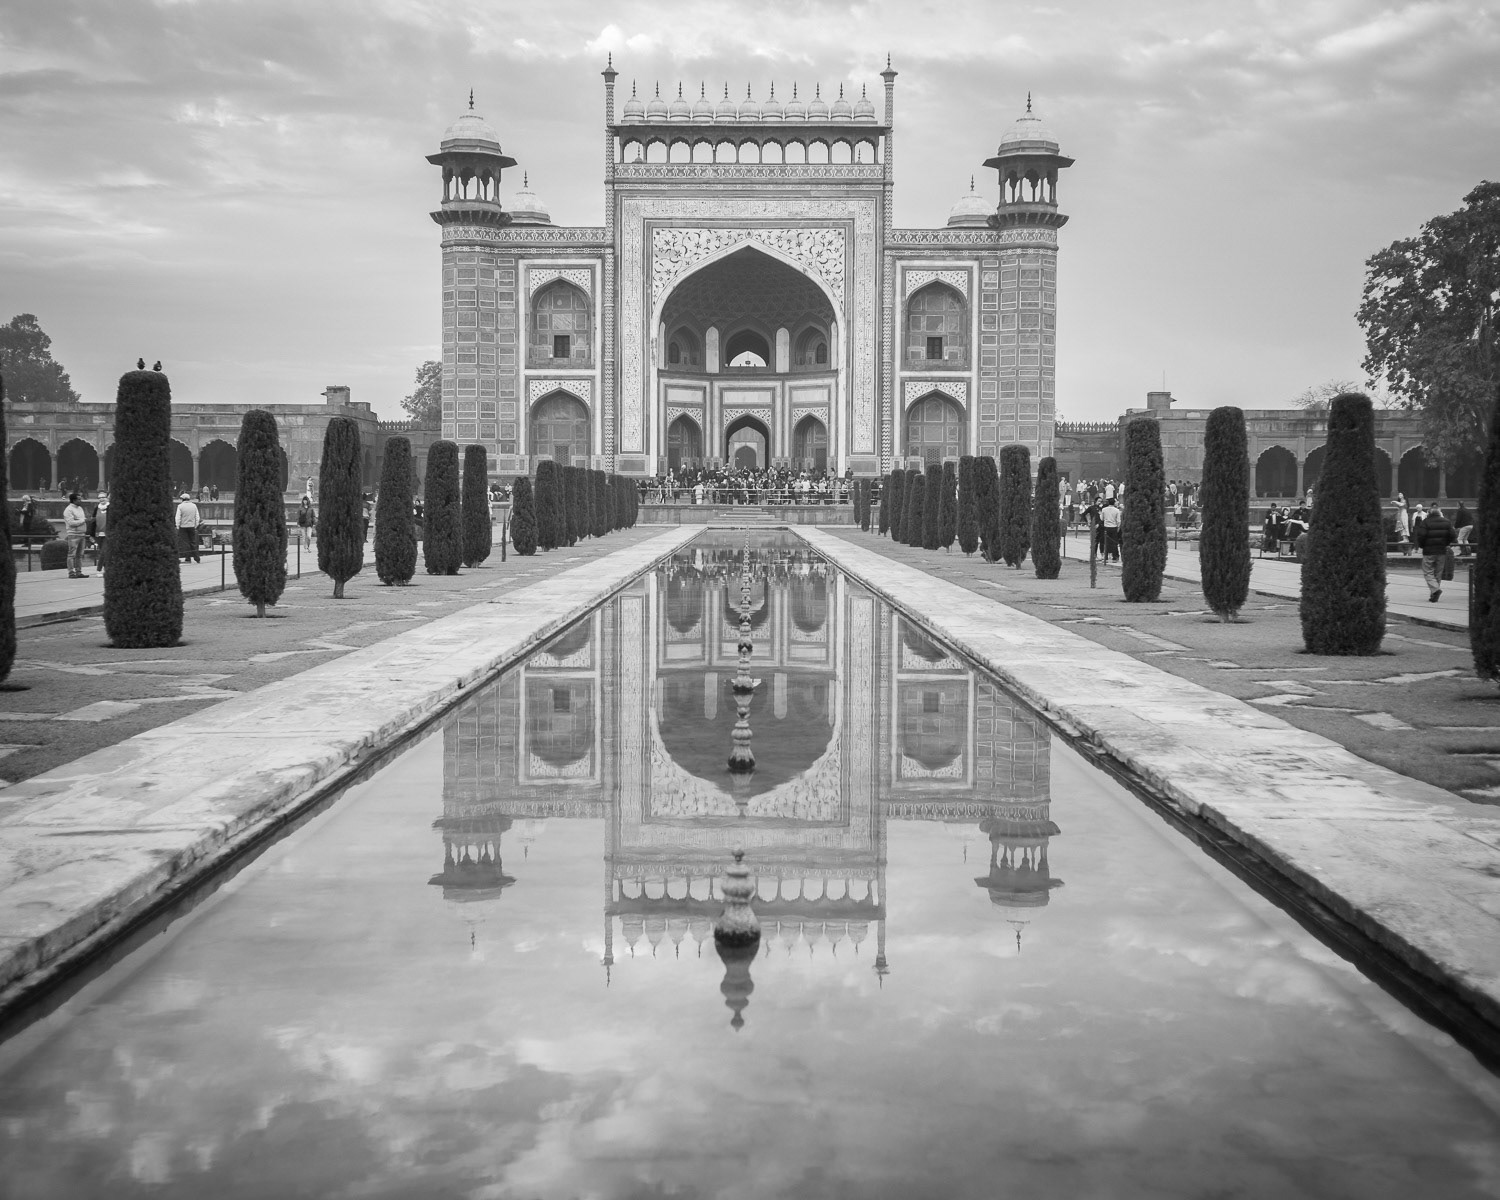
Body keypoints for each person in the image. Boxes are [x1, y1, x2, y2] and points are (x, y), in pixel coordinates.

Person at [1416, 500, 1455, 602]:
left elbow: (1421, 536)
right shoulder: (1446, 522)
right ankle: (1434, 594)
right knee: (1438, 573)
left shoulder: (1426, 522)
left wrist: (1422, 545)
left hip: (1429, 551)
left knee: (1428, 572)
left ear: (1429, 513)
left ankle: (1435, 591)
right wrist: (1446, 543)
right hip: (1441, 551)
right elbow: (1453, 535)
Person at [62, 491, 88, 578]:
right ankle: (71, 573)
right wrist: (83, 520)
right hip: (73, 535)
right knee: (71, 554)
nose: (81, 501)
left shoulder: (80, 508)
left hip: (82, 534)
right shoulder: (68, 510)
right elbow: (71, 523)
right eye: (79, 499)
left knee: (79, 555)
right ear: (73, 500)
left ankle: (79, 572)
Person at [175, 491, 202, 563]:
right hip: (191, 526)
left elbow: (178, 518)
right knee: (193, 542)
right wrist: (195, 525)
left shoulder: (180, 506)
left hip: (183, 527)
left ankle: (188, 557)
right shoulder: (194, 506)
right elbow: (197, 517)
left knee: (185, 542)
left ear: (183, 499)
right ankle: (197, 558)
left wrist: (177, 526)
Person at [91, 491, 110, 574]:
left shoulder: (111, 507)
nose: (101, 499)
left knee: (104, 551)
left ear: (107, 498)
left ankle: (98, 569)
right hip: (98, 534)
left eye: (103, 497)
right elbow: (93, 522)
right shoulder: (96, 508)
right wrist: (91, 534)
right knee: (103, 552)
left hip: (108, 534)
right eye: (99, 497)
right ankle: (106, 570)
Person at [1100, 496, 1122, 562]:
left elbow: (1102, 519)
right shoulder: (1117, 510)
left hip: (1106, 527)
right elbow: (1118, 521)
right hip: (1114, 527)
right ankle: (1115, 557)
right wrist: (1118, 528)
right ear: (1114, 503)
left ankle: (1106, 557)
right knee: (1114, 543)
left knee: (1106, 542)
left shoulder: (1104, 509)